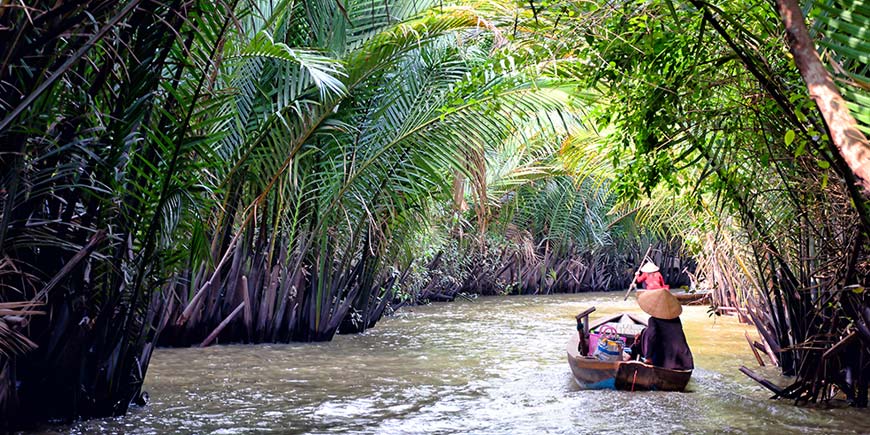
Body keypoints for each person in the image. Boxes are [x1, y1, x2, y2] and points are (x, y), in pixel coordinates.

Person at [635, 289, 694, 370]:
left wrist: (648, 357)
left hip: (665, 363)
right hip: (684, 362)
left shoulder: (653, 320)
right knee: (644, 332)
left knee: (646, 332)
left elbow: (651, 337)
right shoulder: (676, 319)